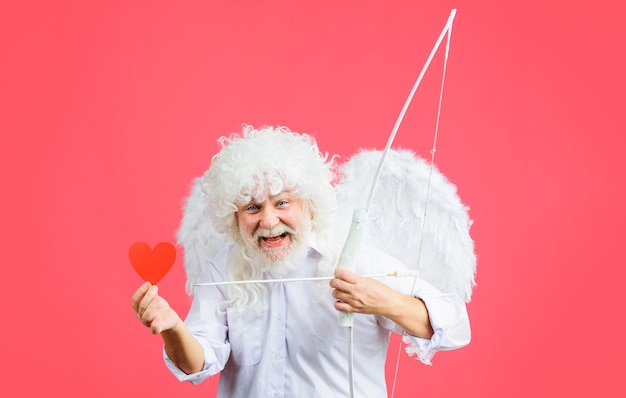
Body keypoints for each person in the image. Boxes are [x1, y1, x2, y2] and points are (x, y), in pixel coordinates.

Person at [132, 125, 471, 397]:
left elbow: (455, 328)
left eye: (282, 203)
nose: (267, 221)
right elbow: (197, 363)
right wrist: (173, 328)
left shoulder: (355, 258)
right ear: (234, 218)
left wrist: (386, 302)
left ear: (310, 204)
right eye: (252, 208)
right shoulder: (226, 267)